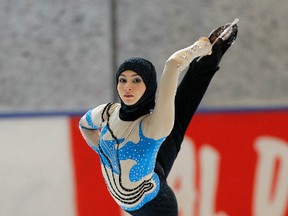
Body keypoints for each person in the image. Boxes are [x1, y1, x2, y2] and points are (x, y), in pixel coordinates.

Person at [79, 22, 238, 216]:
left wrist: (199, 48)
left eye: (136, 80)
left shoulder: (152, 126)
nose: (127, 87)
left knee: (179, 113)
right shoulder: (107, 113)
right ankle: (212, 56)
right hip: (150, 165)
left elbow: (173, 64)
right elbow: (84, 126)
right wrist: (105, 152)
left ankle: (213, 53)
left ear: (148, 86)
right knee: (175, 122)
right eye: (123, 80)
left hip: (156, 205)